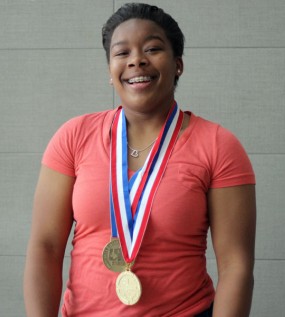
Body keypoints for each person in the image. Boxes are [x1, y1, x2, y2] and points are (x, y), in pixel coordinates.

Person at [24, 3, 256, 317]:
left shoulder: (218, 145)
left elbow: (235, 266)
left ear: (178, 64)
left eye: (152, 48)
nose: (137, 60)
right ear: (110, 71)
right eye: (122, 53)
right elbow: (46, 248)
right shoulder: (73, 136)